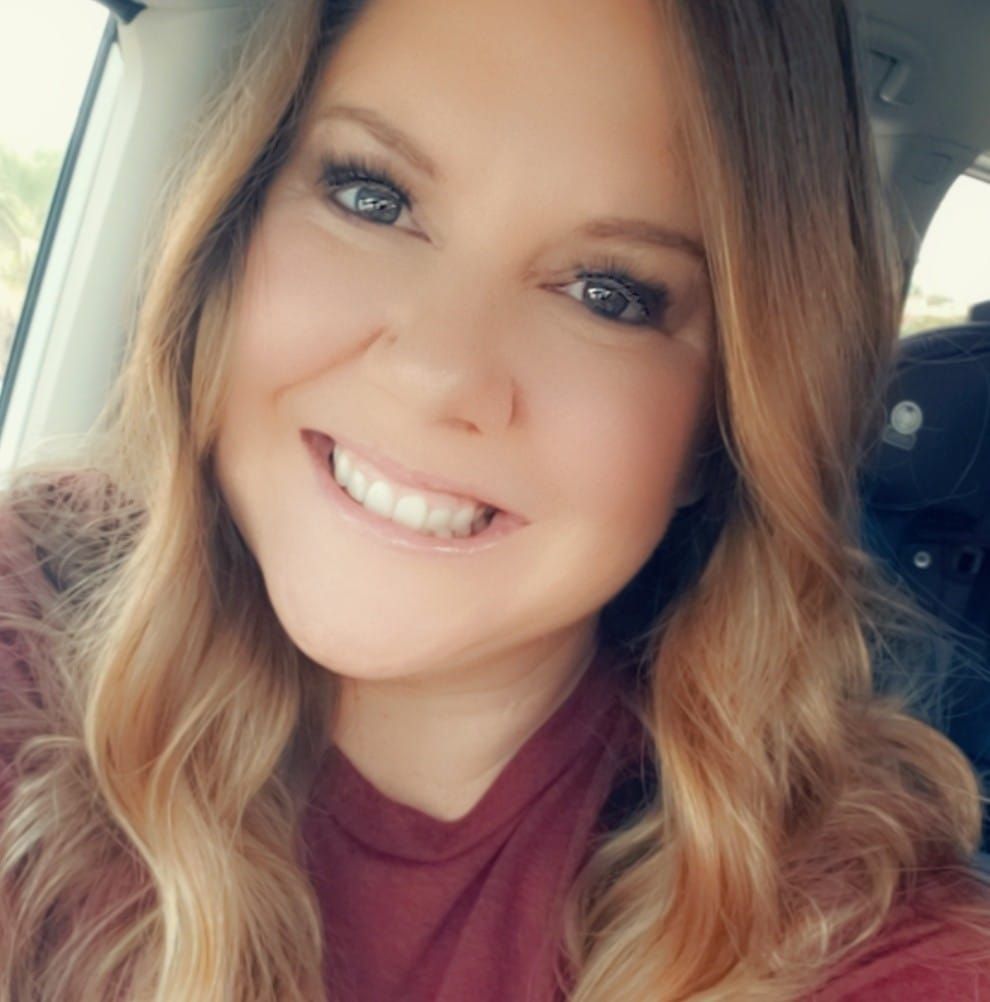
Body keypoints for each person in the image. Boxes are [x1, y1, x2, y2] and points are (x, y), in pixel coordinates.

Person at [1, 0, 989, 998]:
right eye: (372, 197)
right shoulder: (29, 626)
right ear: (235, 226)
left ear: (722, 428)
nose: (438, 369)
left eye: (608, 292)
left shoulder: (850, 934)